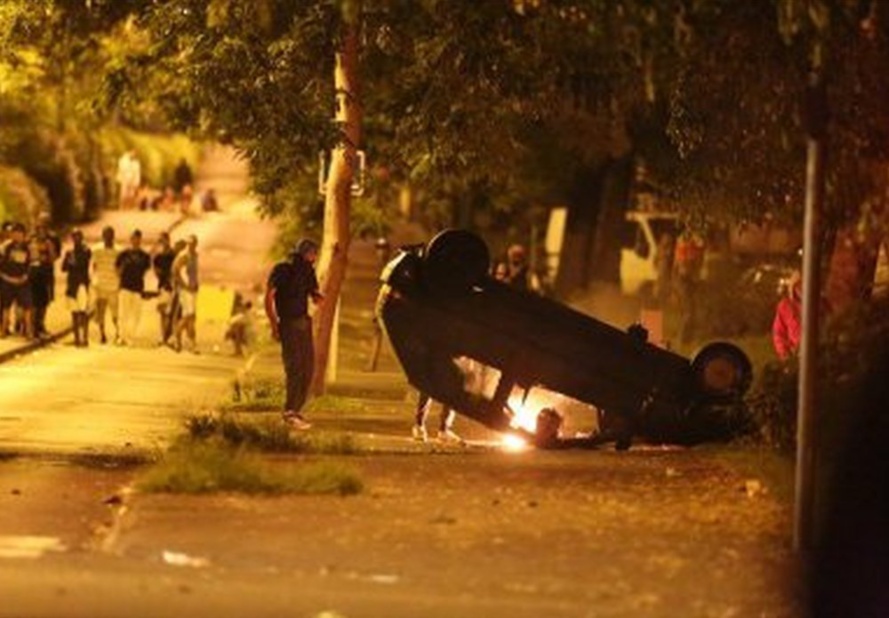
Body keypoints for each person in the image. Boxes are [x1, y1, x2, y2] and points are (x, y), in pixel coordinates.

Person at [265, 239, 323, 430]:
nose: (314, 257)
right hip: (288, 324)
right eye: (312, 253)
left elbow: (312, 292)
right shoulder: (282, 269)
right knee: (295, 367)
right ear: (304, 253)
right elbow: (269, 296)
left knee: (308, 367)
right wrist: (274, 324)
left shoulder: (307, 271)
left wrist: (316, 296)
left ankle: (296, 411)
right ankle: (289, 411)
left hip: (304, 324)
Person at [115, 229, 151, 345]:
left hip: (137, 287)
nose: (135, 241)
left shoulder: (144, 256)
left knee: (135, 314)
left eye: (138, 238)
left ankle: (131, 336)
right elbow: (117, 267)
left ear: (140, 240)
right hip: (125, 286)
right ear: (131, 239)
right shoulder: (124, 254)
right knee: (123, 313)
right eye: (133, 238)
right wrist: (120, 277)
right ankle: (122, 336)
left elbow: (145, 270)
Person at [29, 213, 60, 338]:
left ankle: (41, 324)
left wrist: (48, 253)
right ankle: (32, 326)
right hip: (33, 273)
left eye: (46, 222)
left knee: (45, 300)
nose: (42, 225)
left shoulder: (53, 238)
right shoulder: (31, 238)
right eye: (41, 222)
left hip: (47, 273)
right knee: (33, 301)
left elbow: (56, 256)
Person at [0, 222, 33, 339]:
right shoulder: (6, 247)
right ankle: (3, 330)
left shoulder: (27, 248)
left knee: (27, 307)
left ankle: (29, 331)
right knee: (5, 307)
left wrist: (25, 277)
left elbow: (30, 264)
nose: (17, 235)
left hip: (22, 281)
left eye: (19, 233)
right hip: (7, 280)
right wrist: (6, 277)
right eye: (15, 233)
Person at [674, 231, 705, 344]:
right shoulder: (685, 247)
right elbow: (684, 266)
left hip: (688, 281)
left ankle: (687, 339)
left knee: (692, 312)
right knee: (689, 312)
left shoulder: (687, 247)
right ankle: (682, 339)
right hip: (684, 281)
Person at [61, 229, 91, 347]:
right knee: (74, 312)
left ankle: (85, 338)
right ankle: (77, 338)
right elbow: (63, 268)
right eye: (74, 237)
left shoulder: (86, 250)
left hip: (82, 284)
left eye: (79, 236)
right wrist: (70, 262)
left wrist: (72, 263)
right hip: (72, 285)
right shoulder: (69, 253)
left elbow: (82, 264)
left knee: (83, 312)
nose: (76, 239)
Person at [91, 226, 120, 344]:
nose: (108, 237)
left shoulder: (119, 251)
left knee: (115, 313)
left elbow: (121, 267)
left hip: (114, 284)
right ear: (103, 236)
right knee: (101, 311)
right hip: (101, 284)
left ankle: (118, 333)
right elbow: (93, 265)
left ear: (113, 236)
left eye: (110, 235)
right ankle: (102, 334)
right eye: (106, 235)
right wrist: (94, 280)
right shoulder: (96, 249)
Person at [172, 234, 200, 353]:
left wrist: (196, 284)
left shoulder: (195, 255)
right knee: (189, 316)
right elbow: (175, 271)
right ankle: (177, 338)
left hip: (192, 289)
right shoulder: (183, 256)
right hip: (185, 291)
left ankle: (184, 343)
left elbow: (194, 273)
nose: (191, 246)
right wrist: (184, 286)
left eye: (193, 243)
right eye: (189, 243)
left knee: (191, 318)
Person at [152, 231, 176, 346]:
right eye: (160, 241)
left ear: (168, 240)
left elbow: (176, 271)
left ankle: (167, 337)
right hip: (162, 286)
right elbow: (156, 271)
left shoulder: (173, 254)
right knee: (162, 312)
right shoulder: (158, 256)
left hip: (171, 286)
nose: (162, 242)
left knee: (168, 313)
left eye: (163, 240)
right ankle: (163, 336)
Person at [772, 269, 802, 360]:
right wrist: (784, 353)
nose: (803, 289)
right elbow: (778, 333)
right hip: (795, 355)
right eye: (799, 286)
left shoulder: (820, 304)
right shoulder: (786, 306)